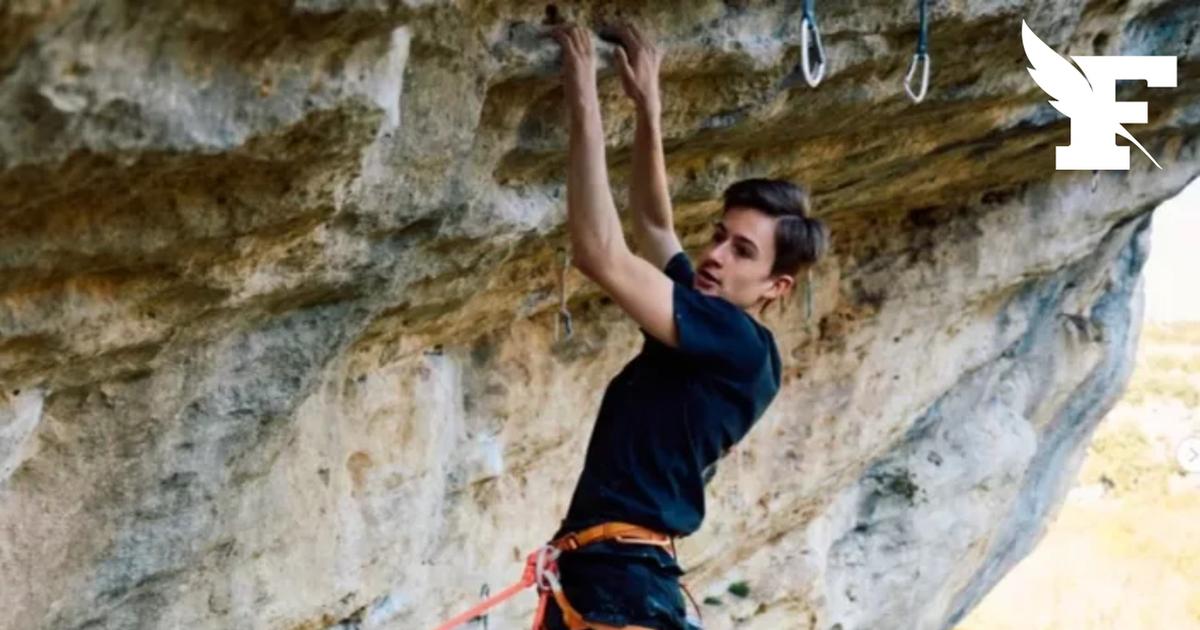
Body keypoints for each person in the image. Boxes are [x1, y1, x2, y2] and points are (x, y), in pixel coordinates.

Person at [543, 19, 831, 630]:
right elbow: (653, 226)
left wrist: (584, 96)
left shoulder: (736, 343)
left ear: (777, 287)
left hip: (621, 585)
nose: (716, 256)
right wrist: (647, 106)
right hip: (612, 576)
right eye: (720, 236)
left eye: (742, 252)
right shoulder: (707, 317)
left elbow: (601, 254)